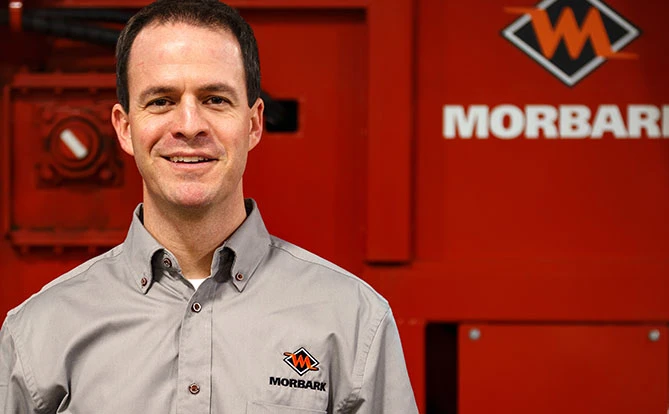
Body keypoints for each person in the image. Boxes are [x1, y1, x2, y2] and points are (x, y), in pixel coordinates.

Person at [0, 0, 419, 412]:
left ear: (253, 123)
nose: (189, 126)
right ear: (125, 128)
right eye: (161, 101)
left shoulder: (352, 320)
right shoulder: (38, 332)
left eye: (215, 99)